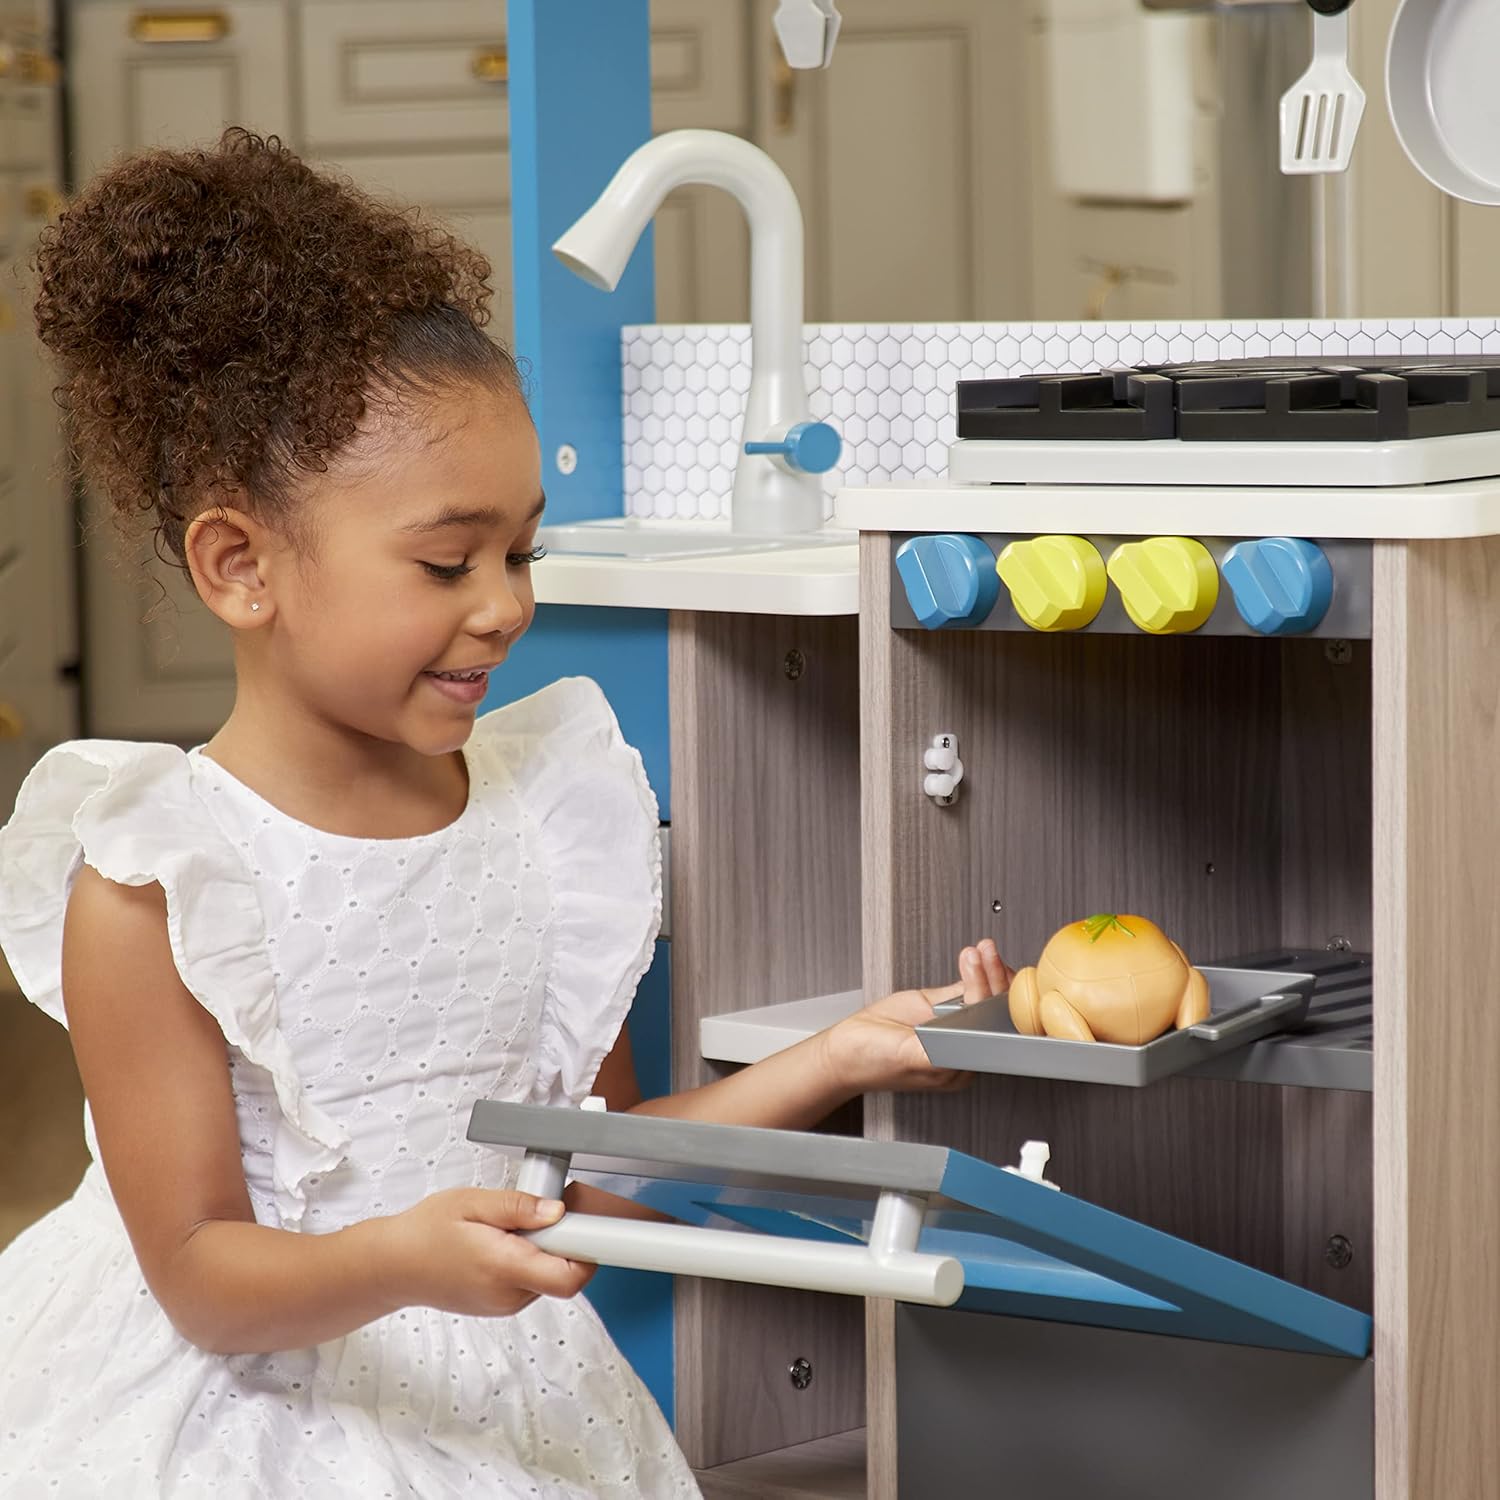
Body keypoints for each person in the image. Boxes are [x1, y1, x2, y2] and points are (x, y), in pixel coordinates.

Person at [0, 129, 1013, 1498]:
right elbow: (198, 1278)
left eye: (522, 548)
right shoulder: (154, 879)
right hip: (242, 1414)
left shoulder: (544, 819)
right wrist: (404, 1258)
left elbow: (593, 1173)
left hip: (507, 1400)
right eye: (445, 560)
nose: (507, 604)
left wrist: (846, 1055)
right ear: (240, 565)